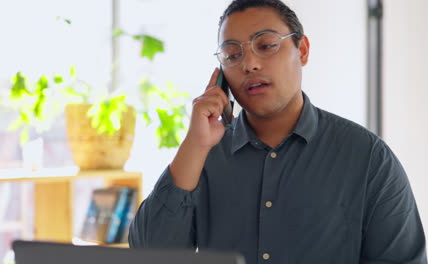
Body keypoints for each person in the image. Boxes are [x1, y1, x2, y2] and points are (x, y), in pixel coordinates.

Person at [129, 0, 427, 263]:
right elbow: (149, 254)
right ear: (220, 74)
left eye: (267, 45)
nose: (250, 64)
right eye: (232, 55)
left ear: (303, 50)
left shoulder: (368, 158)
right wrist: (195, 145)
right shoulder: (202, 155)